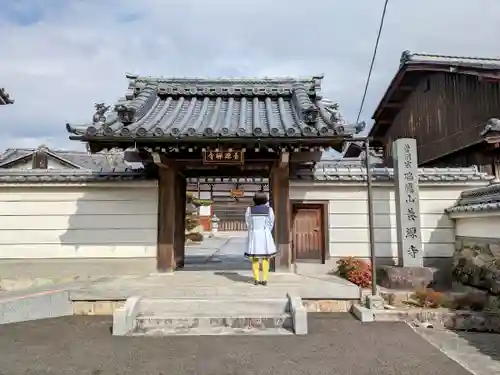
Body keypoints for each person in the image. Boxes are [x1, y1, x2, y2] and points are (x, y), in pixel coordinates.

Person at [244, 192, 277, 285]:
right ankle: (265, 279)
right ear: (265, 200)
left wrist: (253, 230)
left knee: (254, 258)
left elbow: (248, 223)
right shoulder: (269, 210)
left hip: (254, 234)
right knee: (265, 258)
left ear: (254, 200)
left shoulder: (249, 209)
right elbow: (271, 222)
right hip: (265, 234)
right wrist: (266, 231)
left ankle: (256, 279)